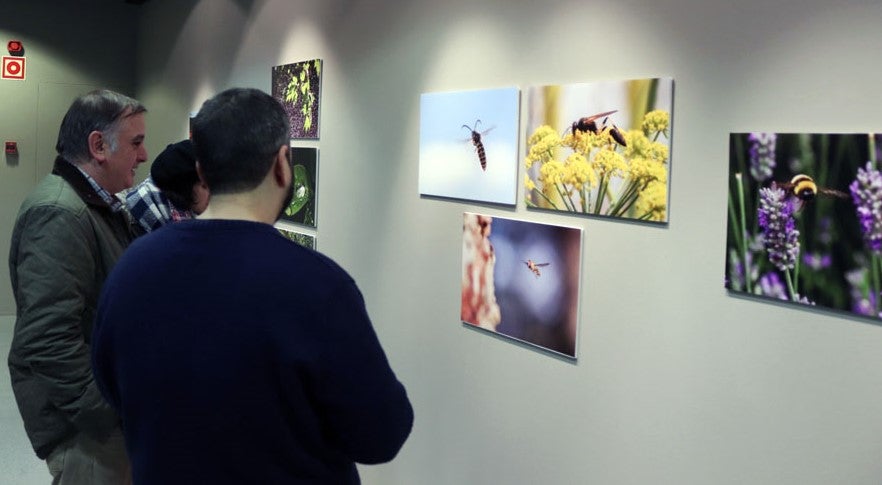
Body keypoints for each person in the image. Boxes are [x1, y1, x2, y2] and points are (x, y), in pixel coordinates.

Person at [92, 87, 414, 484]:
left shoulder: (132, 268)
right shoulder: (319, 286)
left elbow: (112, 387)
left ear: (202, 172)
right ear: (282, 165)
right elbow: (381, 436)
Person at [8, 89, 147, 484]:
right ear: (98, 146)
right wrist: (106, 412)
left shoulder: (95, 206)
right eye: (136, 142)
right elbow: (47, 339)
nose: (143, 155)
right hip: (85, 432)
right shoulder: (59, 213)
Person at [126, 139, 209, 234]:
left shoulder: (189, 217)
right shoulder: (127, 219)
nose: (215, 195)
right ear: (185, 187)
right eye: (205, 186)